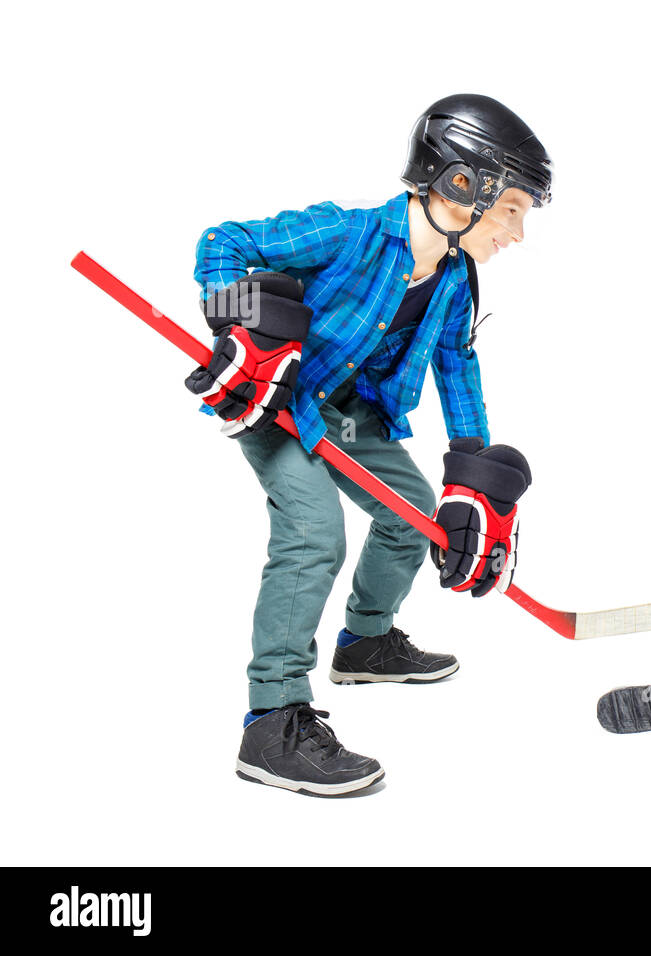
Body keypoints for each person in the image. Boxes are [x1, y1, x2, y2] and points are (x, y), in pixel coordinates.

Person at [187, 95, 552, 796]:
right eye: (512, 209)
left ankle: (366, 642)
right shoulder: (345, 232)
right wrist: (239, 324)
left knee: (413, 511)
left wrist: (472, 477)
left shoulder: (451, 278)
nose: (518, 232)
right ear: (460, 186)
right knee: (314, 531)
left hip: (352, 416)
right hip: (281, 405)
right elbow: (222, 241)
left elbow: (457, 367)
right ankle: (272, 719)